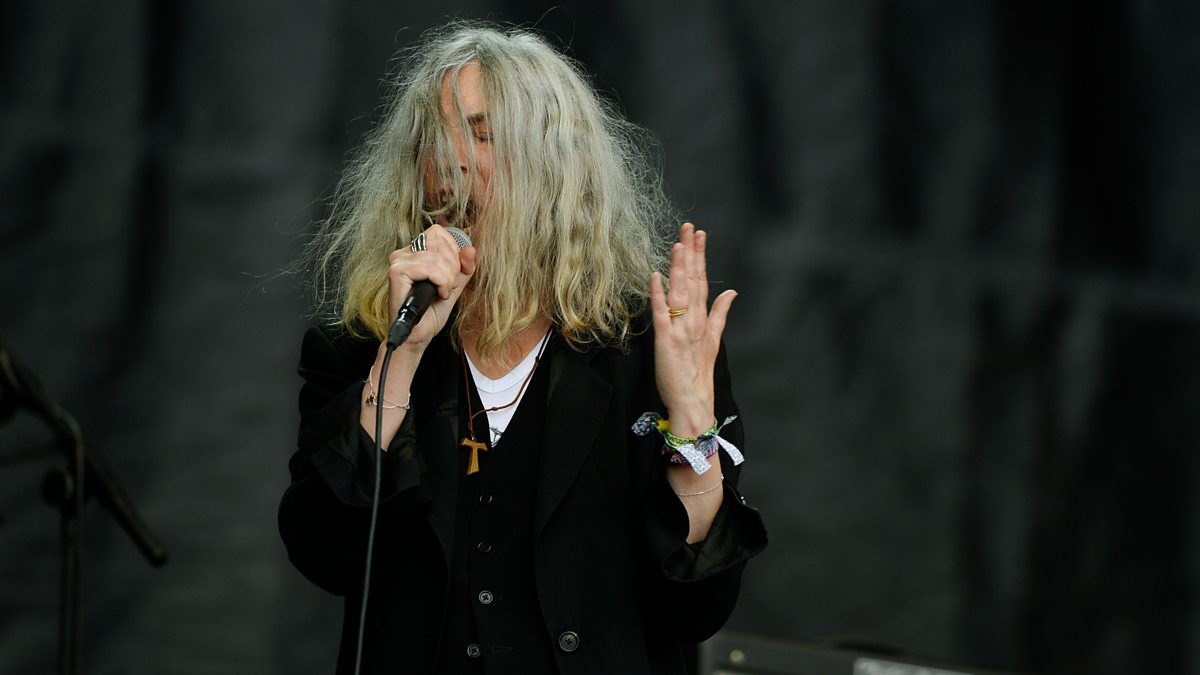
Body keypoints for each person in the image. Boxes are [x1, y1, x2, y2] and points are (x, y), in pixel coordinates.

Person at [278, 22, 767, 675]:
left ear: (556, 168)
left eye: (482, 135)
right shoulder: (367, 348)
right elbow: (324, 554)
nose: (452, 160)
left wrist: (691, 426)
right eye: (435, 138)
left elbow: (697, 606)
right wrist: (401, 360)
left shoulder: (646, 346)